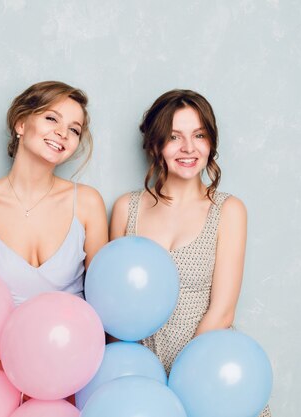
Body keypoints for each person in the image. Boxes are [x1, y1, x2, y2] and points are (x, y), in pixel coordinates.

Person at [110, 89, 271, 416]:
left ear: (210, 142)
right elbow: (114, 313)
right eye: (174, 137)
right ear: (156, 144)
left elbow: (223, 312)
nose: (188, 148)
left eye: (199, 135)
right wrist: (135, 381)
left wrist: (186, 381)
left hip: (210, 378)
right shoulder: (127, 208)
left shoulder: (228, 210)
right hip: (142, 384)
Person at [0, 81, 108, 306]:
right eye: (52, 118)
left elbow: (104, 299)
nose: (62, 133)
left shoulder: (87, 203)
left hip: (74, 339)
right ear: (21, 124)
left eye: (74, 129)